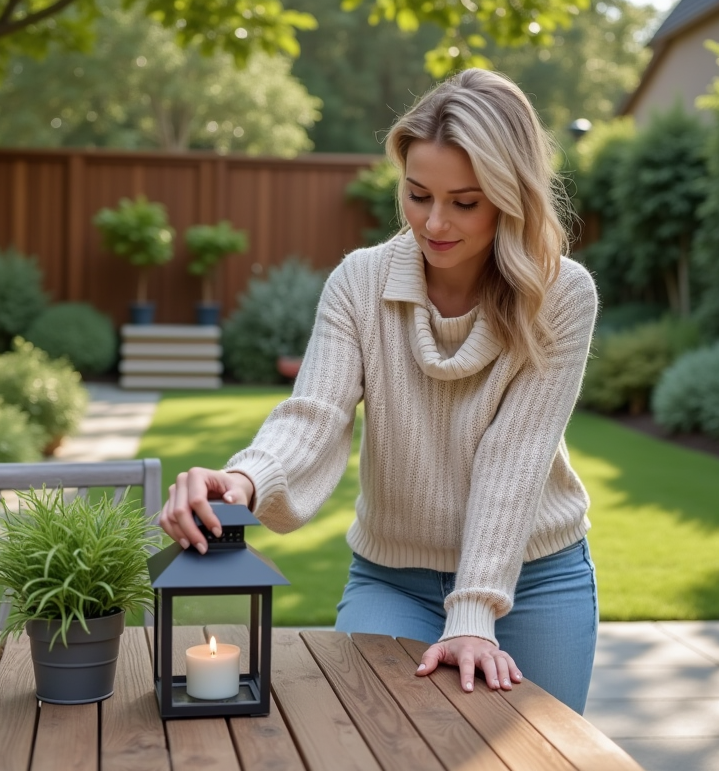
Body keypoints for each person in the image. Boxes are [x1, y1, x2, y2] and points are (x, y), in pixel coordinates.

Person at [159, 68, 600, 714]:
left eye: (465, 202)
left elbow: (515, 457)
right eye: (418, 195)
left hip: (539, 581)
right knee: (374, 758)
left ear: (511, 197)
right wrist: (244, 479)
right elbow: (314, 415)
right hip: (394, 580)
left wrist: (474, 612)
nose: (435, 222)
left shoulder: (560, 294)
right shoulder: (358, 283)